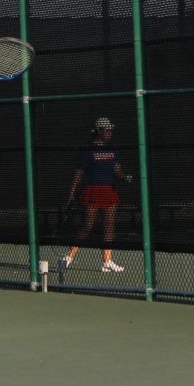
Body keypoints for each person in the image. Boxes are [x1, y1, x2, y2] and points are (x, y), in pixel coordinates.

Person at [60, 117, 132, 276]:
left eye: (110, 130)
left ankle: (107, 262)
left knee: (109, 226)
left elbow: (117, 168)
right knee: (87, 227)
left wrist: (125, 176)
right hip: (92, 191)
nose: (109, 132)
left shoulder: (113, 148)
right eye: (106, 130)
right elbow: (79, 172)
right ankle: (67, 258)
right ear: (99, 131)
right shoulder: (89, 149)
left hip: (109, 191)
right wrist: (71, 193)